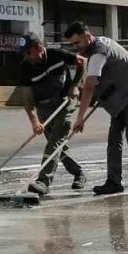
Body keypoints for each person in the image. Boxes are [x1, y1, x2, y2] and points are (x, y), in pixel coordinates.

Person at [65, 21, 128, 196]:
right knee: (114, 141)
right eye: (73, 44)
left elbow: (90, 86)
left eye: (77, 43)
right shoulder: (98, 46)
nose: (76, 47)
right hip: (121, 100)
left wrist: (80, 118)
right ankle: (114, 181)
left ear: (87, 36)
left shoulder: (98, 52)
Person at [17, 32, 87, 195]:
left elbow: (82, 61)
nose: (27, 57)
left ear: (39, 48)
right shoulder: (25, 68)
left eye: (29, 52)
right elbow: (27, 99)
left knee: (54, 144)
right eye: (24, 54)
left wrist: (75, 85)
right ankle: (78, 173)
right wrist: (34, 121)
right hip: (44, 107)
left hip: (65, 102)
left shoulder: (57, 55)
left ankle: (43, 182)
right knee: (57, 147)